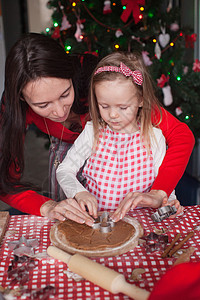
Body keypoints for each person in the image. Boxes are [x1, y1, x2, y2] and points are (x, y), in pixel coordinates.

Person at [0, 34, 194, 225]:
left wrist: (159, 193)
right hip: (74, 159)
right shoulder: (14, 109)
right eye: (43, 105)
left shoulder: (109, 88)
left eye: (65, 94)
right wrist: (47, 206)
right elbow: (4, 180)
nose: (60, 112)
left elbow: (181, 136)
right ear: (23, 99)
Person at [56, 51, 189, 220]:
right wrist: (79, 193)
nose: (113, 115)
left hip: (141, 225)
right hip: (99, 223)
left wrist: (169, 204)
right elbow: (65, 170)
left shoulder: (154, 137)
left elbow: (165, 192)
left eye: (123, 107)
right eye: (104, 106)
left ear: (141, 100)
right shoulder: (92, 133)